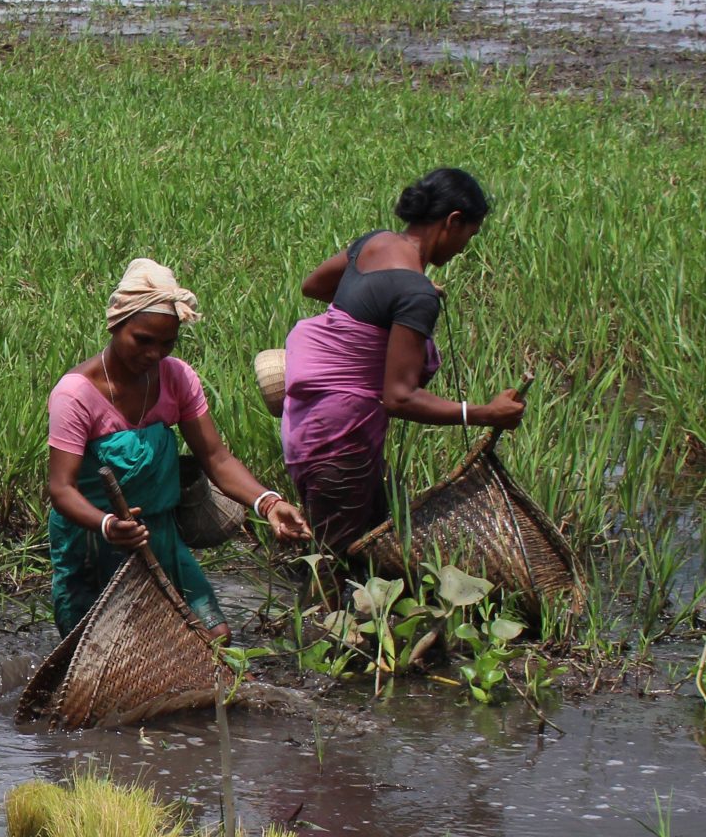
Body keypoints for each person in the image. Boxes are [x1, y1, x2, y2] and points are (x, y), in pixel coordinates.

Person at [47, 260, 311, 635]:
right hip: (93, 540)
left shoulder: (176, 377)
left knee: (214, 636)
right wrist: (108, 525)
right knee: (102, 654)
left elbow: (216, 458)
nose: (155, 353)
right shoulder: (76, 394)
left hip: (159, 533)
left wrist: (268, 503)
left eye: (167, 342)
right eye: (143, 340)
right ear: (115, 326)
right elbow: (61, 488)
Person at [280, 167, 531, 555]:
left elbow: (314, 285)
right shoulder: (415, 293)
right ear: (453, 221)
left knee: (371, 538)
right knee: (334, 563)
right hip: (340, 439)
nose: (466, 247)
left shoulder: (375, 244)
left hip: (306, 424)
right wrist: (483, 413)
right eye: (470, 234)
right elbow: (399, 398)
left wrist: (387, 293)